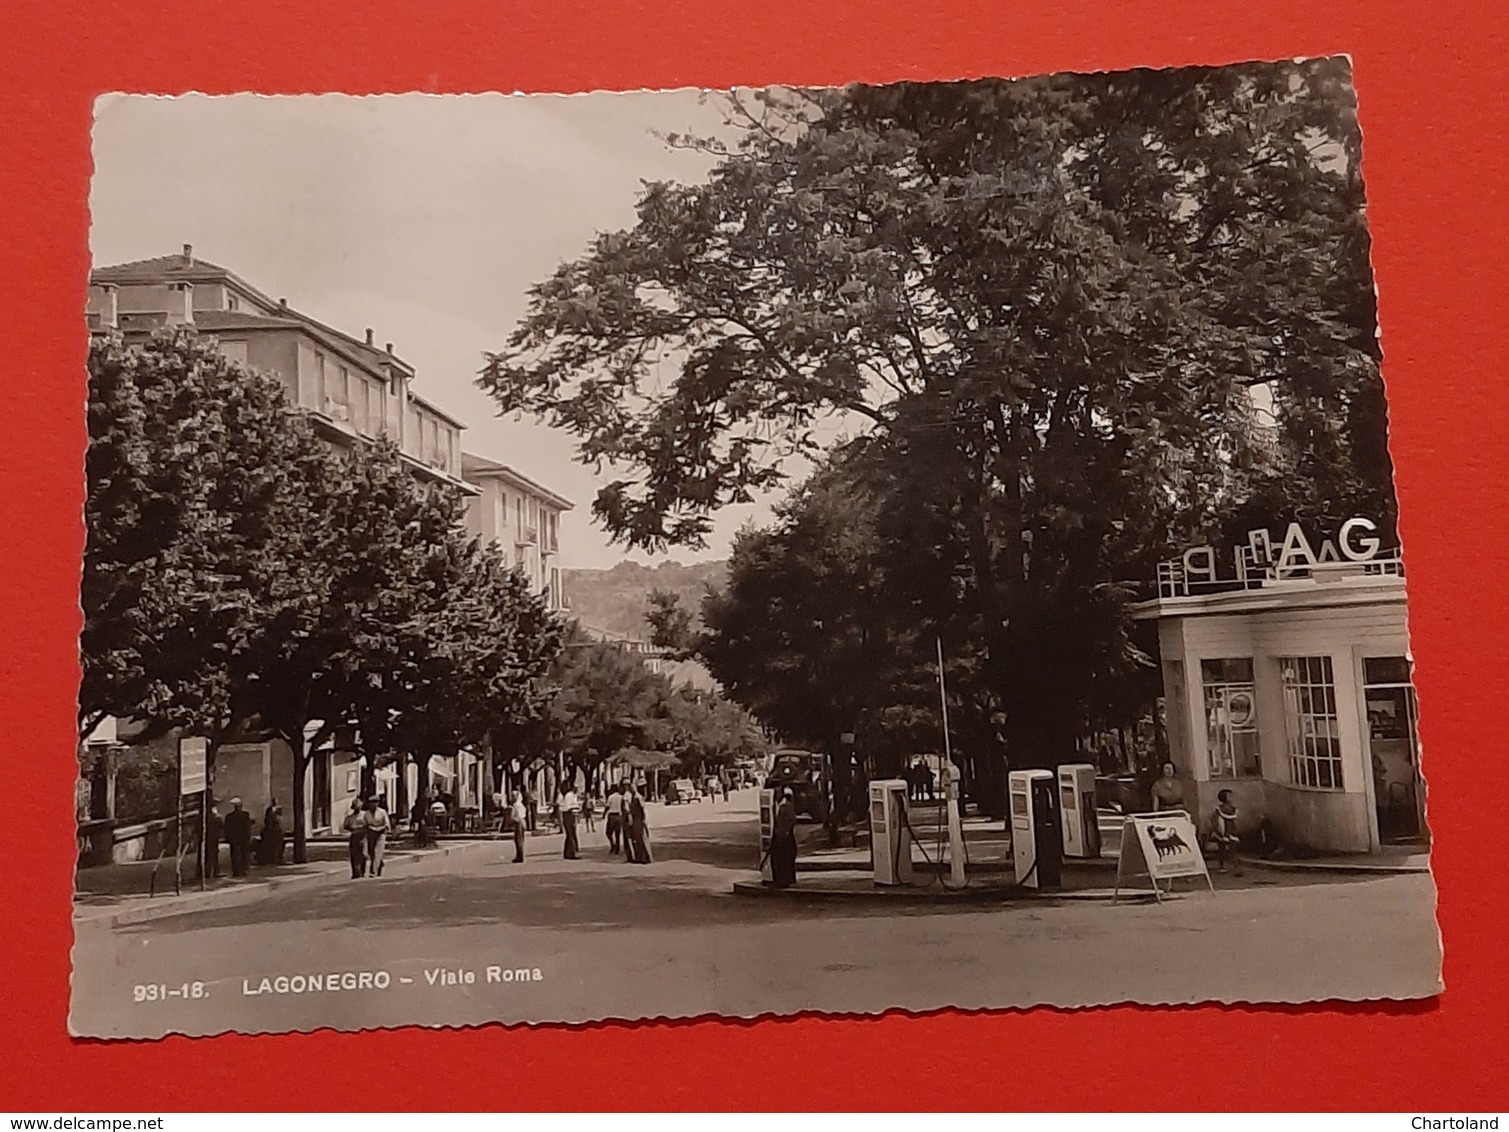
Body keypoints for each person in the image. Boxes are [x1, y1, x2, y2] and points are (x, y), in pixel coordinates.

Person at [770, 787, 799, 888]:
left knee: (784, 858)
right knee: (779, 859)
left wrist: (786, 830)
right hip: (779, 834)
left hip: (784, 835)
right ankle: (780, 880)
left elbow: (792, 819)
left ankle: (784, 881)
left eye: (777, 793)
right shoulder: (777, 805)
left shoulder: (785, 805)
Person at [1213, 789, 1243, 876]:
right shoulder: (1229, 809)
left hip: (1224, 832)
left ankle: (1222, 866)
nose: (1232, 798)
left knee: (1223, 849)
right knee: (1232, 851)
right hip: (1227, 831)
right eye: (1230, 796)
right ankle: (1236, 868)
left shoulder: (1220, 808)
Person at [223, 798, 253, 877]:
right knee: (244, 854)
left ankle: (236, 871)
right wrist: (248, 836)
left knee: (234, 855)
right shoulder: (245, 815)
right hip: (243, 837)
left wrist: (227, 838)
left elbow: (226, 828)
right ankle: (243, 869)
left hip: (234, 838)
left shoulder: (229, 816)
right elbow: (247, 827)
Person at [625, 782, 652, 864]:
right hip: (635, 820)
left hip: (639, 820)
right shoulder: (633, 797)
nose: (632, 790)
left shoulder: (638, 797)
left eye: (633, 788)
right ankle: (640, 857)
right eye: (631, 788)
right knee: (637, 840)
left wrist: (644, 820)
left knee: (643, 839)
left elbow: (643, 809)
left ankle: (647, 857)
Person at [365, 795, 390, 877]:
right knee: (371, 852)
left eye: (375, 802)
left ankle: (373, 872)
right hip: (371, 833)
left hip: (380, 833)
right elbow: (365, 824)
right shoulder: (367, 813)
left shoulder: (382, 812)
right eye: (371, 803)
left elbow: (386, 825)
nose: (373, 805)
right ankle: (379, 863)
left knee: (377, 852)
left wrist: (381, 829)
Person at [343, 799, 369, 878]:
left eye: (358, 807)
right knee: (354, 854)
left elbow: (369, 824)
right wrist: (351, 828)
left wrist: (363, 828)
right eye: (355, 808)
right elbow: (345, 825)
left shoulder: (365, 815)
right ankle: (356, 872)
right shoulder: (350, 817)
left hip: (363, 836)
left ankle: (362, 871)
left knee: (363, 854)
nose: (357, 809)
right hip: (354, 836)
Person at [257, 800, 285, 867]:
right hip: (272, 831)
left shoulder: (274, 811)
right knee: (274, 845)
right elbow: (270, 821)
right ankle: (273, 858)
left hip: (274, 831)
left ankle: (275, 858)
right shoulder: (271, 811)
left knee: (278, 845)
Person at [559, 782, 581, 860]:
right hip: (569, 815)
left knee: (571, 834)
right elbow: (567, 807)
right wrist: (575, 808)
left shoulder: (573, 795)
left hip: (572, 815)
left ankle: (568, 852)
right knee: (571, 834)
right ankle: (572, 853)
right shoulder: (569, 795)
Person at [204, 802, 222, 880]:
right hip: (213, 839)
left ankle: (208, 872)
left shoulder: (205, 818)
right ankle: (214, 871)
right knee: (213, 855)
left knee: (208, 855)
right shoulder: (216, 818)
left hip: (208, 839)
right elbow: (221, 826)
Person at [509, 790, 528, 863]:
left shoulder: (517, 805)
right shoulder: (519, 804)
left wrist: (514, 820)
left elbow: (519, 816)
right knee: (519, 840)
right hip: (520, 822)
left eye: (513, 796)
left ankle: (520, 857)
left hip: (518, 823)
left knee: (518, 840)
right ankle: (519, 856)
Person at [604, 784, 623, 854]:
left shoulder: (611, 797)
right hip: (619, 816)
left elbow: (607, 807)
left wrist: (604, 814)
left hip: (612, 815)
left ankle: (613, 845)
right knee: (617, 833)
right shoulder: (621, 797)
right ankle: (617, 848)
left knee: (608, 832)